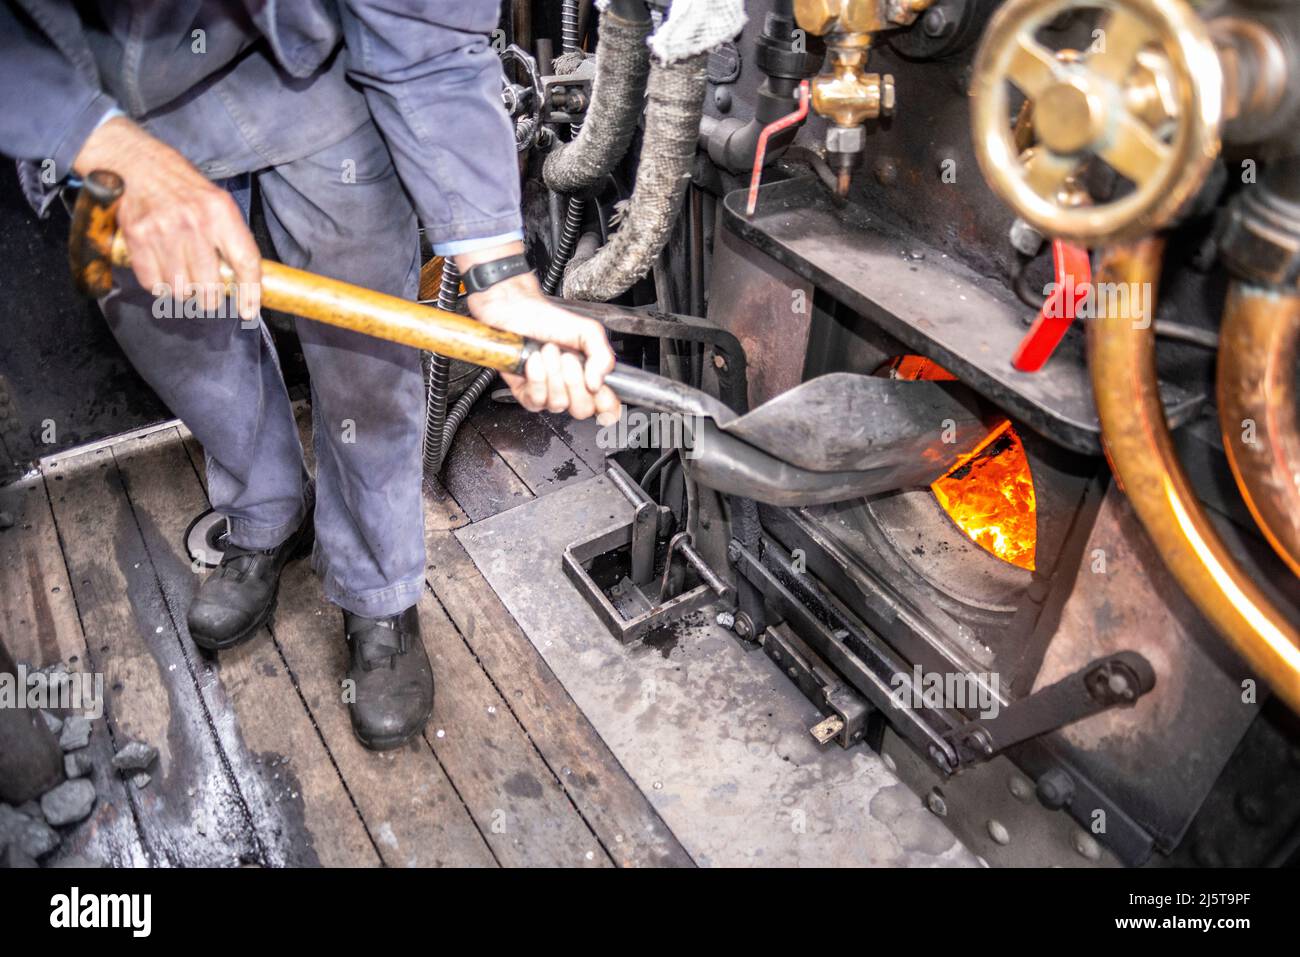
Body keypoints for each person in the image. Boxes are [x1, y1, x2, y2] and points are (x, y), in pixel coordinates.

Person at [0, 0, 620, 751]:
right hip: (94, 95)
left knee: (369, 363)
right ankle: (268, 515)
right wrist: (93, 140)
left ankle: (378, 587)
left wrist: (500, 276)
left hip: (323, 86)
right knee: (178, 343)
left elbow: (428, 35)